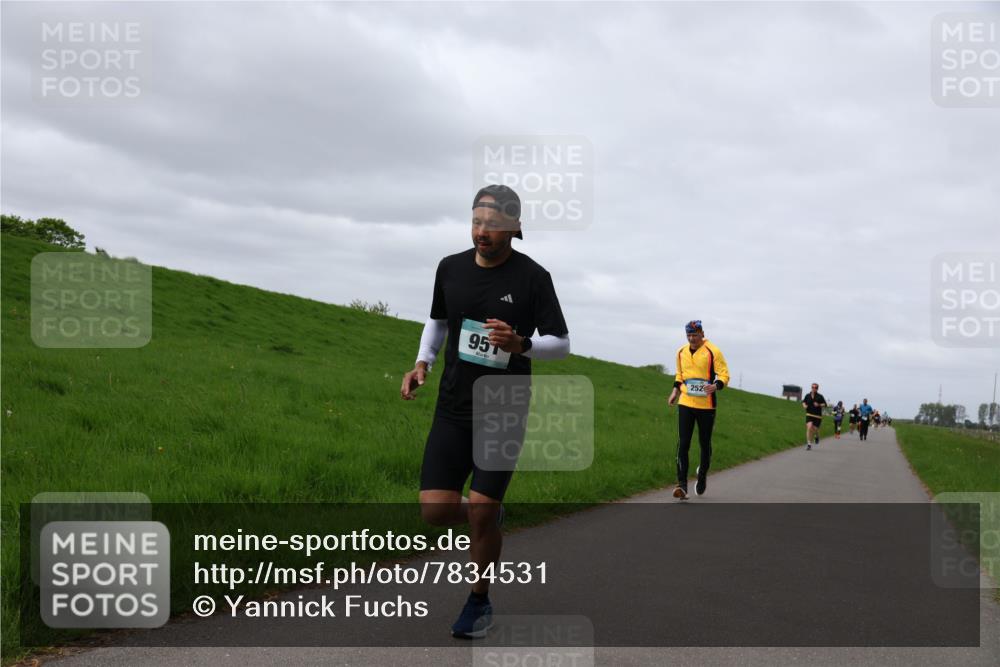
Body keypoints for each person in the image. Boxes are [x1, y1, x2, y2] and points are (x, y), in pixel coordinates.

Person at [400, 184, 570, 639]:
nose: (482, 232)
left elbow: (562, 345)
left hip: (504, 408)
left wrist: (522, 344)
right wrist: (422, 363)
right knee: (435, 511)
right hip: (453, 405)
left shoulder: (534, 278)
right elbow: (438, 320)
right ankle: (488, 513)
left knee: (479, 508)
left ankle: (479, 600)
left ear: (513, 228)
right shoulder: (450, 268)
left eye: (492, 225)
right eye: (476, 222)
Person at [667, 320, 730, 499]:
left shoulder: (713, 351)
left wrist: (716, 385)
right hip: (686, 402)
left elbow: (724, 374)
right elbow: (680, 375)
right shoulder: (681, 352)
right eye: (688, 335)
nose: (691, 339)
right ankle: (682, 486)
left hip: (706, 405)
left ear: (702, 333)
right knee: (683, 443)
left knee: (704, 443)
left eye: (695, 335)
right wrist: (675, 391)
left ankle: (702, 474)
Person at [801, 383, 827, 450]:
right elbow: (804, 402)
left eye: (815, 387)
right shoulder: (807, 395)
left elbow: (825, 404)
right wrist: (804, 406)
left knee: (815, 429)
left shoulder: (820, 396)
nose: (813, 388)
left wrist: (818, 405)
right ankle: (809, 444)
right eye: (812, 387)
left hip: (817, 416)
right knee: (809, 427)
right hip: (809, 414)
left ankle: (817, 436)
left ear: (817, 389)